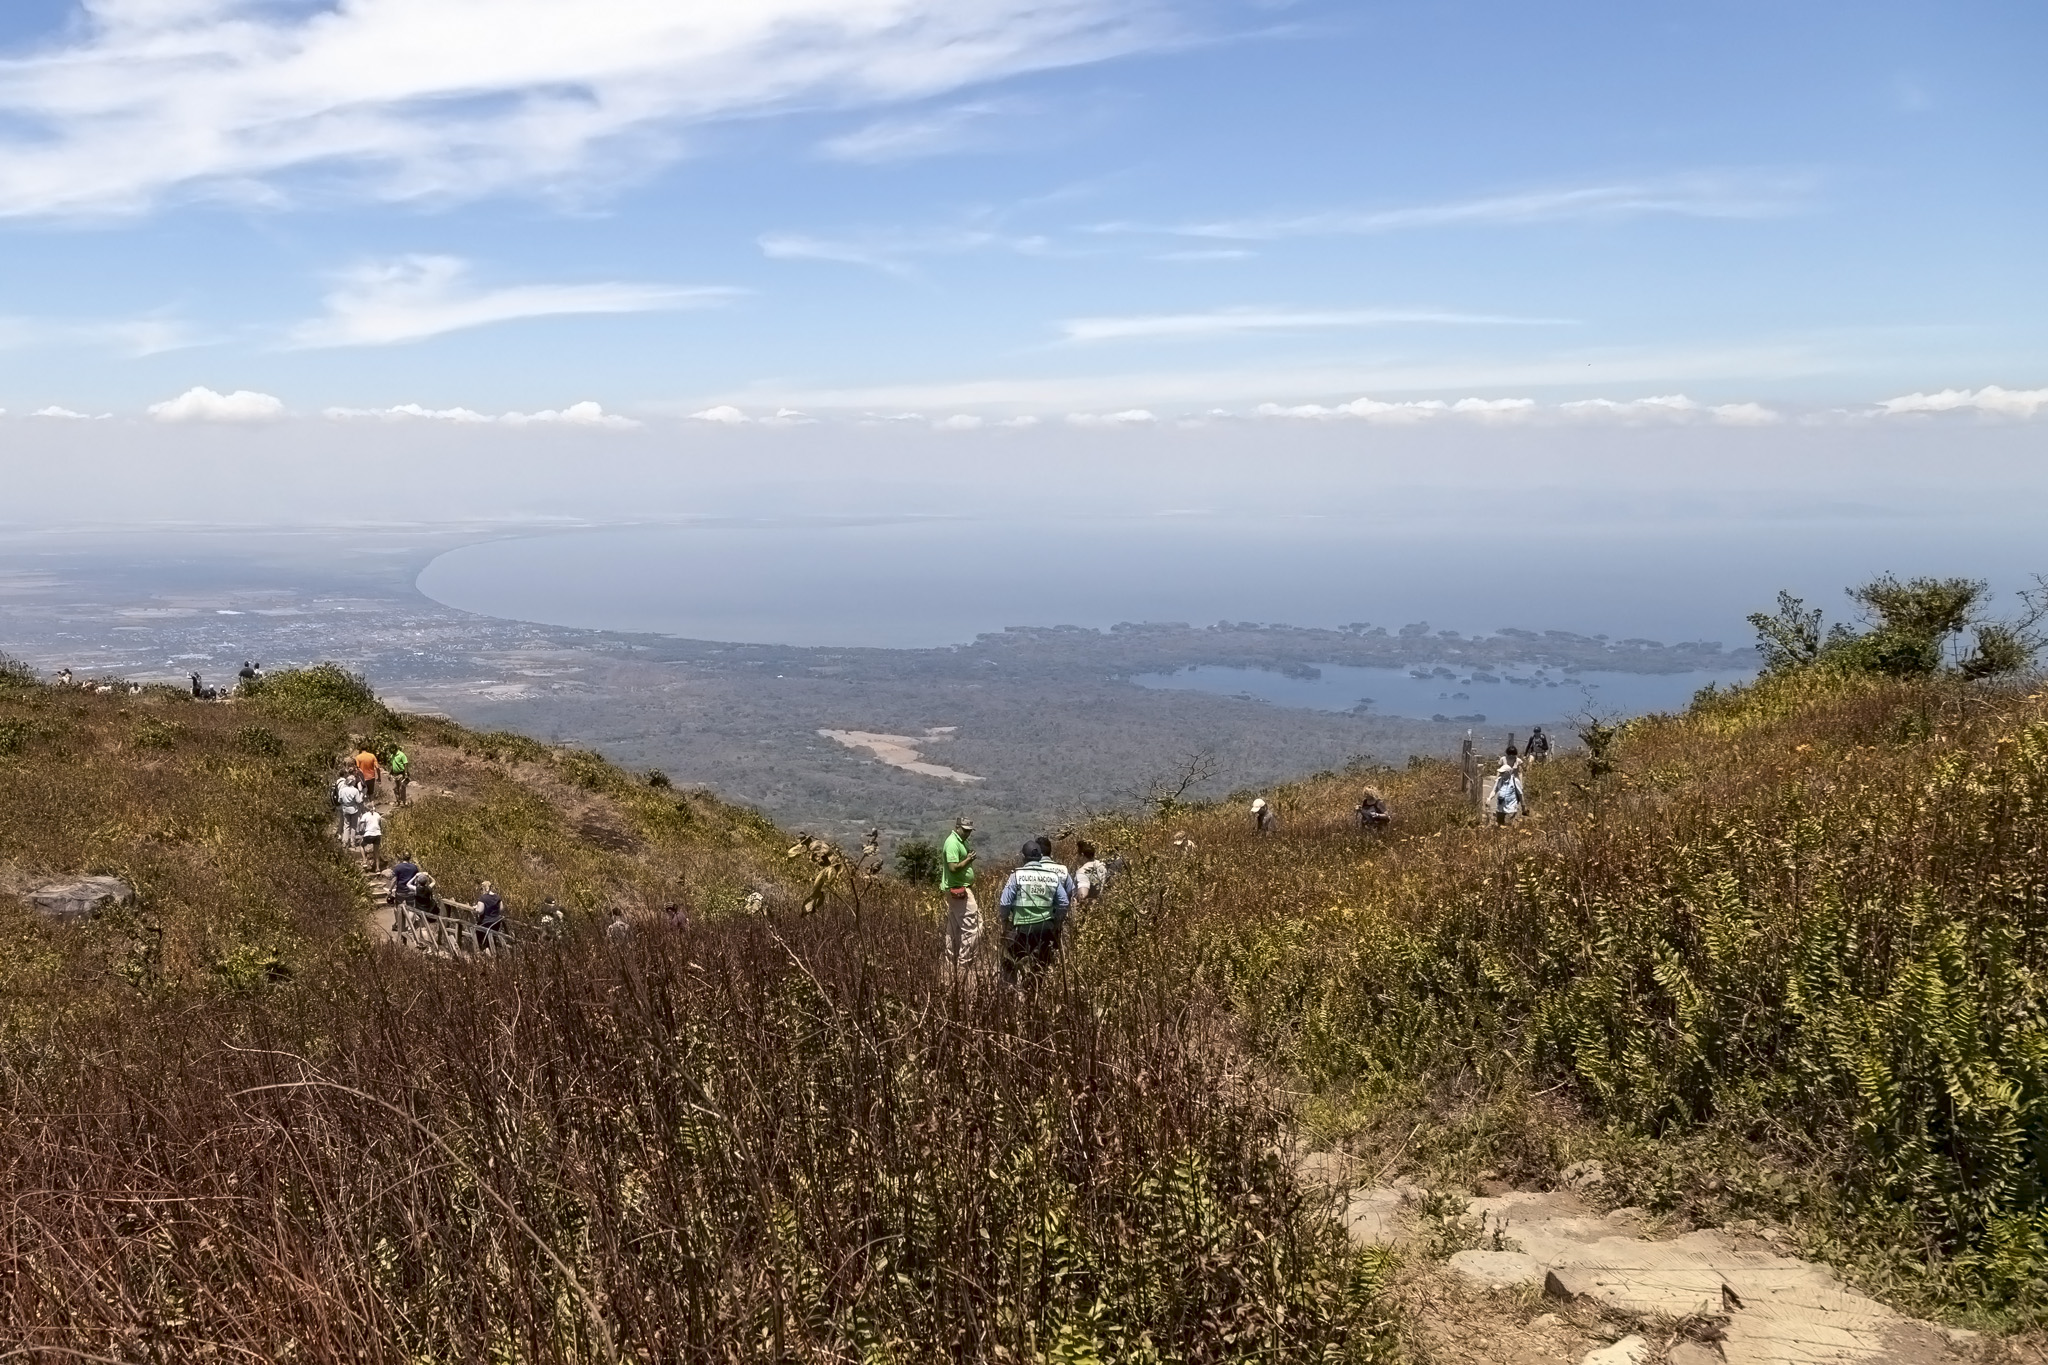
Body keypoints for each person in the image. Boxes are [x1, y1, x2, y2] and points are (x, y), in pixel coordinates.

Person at [997, 839, 1071, 988]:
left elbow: (1004, 903)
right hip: (1045, 930)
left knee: (1009, 960)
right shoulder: (1052, 876)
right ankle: (1037, 992)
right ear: (1040, 857)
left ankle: (1009, 991)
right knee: (1041, 966)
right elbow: (1064, 902)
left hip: (1022, 930)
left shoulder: (1017, 876)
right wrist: (1056, 924)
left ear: (1023, 858)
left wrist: (1005, 923)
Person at [941, 816, 980, 971]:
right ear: (957, 827)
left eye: (969, 831)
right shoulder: (952, 843)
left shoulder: (961, 841)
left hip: (960, 888)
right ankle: (965, 963)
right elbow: (953, 867)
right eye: (965, 830)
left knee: (955, 927)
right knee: (973, 926)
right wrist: (969, 860)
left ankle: (950, 963)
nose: (967, 834)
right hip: (958, 889)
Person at [1073, 839, 1111, 906]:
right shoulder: (1102, 865)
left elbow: (1083, 895)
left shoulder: (1082, 871)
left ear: (1082, 855)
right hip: (1101, 905)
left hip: (1086, 910)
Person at [389, 853, 420, 934]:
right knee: (411, 908)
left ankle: (398, 924)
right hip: (411, 890)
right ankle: (410, 927)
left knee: (397, 907)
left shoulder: (398, 867)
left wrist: (390, 890)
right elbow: (416, 879)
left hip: (400, 891)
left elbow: (394, 880)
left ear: (402, 857)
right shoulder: (414, 867)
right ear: (410, 858)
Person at [1494, 748, 1524, 826]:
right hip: (1504, 779)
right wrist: (1497, 778)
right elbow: (1499, 770)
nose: (1511, 756)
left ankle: (1514, 811)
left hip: (1514, 780)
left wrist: (1521, 782)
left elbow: (1520, 772)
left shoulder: (1518, 761)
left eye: (1513, 754)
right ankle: (1502, 811)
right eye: (1509, 754)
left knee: (1517, 796)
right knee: (1503, 795)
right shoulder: (1503, 759)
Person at [475, 882, 506, 952]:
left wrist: (476, 908)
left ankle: (483, 951)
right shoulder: (498, 897)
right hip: (496, 923)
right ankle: (491, 951)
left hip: (485, 923)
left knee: (478, 933)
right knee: (491, 938)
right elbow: (501, 909)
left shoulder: (483, 898)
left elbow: (480, 911)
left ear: (483, 888)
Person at [334, 773, 362, 845]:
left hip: (345, 809)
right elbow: (358, 801)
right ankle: (352, 842)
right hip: (353, 809)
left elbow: (339, 800)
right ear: (352, 782)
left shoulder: (342, 790)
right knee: (353, 826)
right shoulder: (355, 791)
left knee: (346, 826)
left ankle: (345, 841)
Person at [357, 806, 384, 871]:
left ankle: (364, 861)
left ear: (366, 809)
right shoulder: (377, 815)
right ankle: (377, 868)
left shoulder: (365, 815)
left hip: (369, 833)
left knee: (361, 845)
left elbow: (361, 824)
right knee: (376, 851)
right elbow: (380, 825)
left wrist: (360, 831)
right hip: (377, 834)